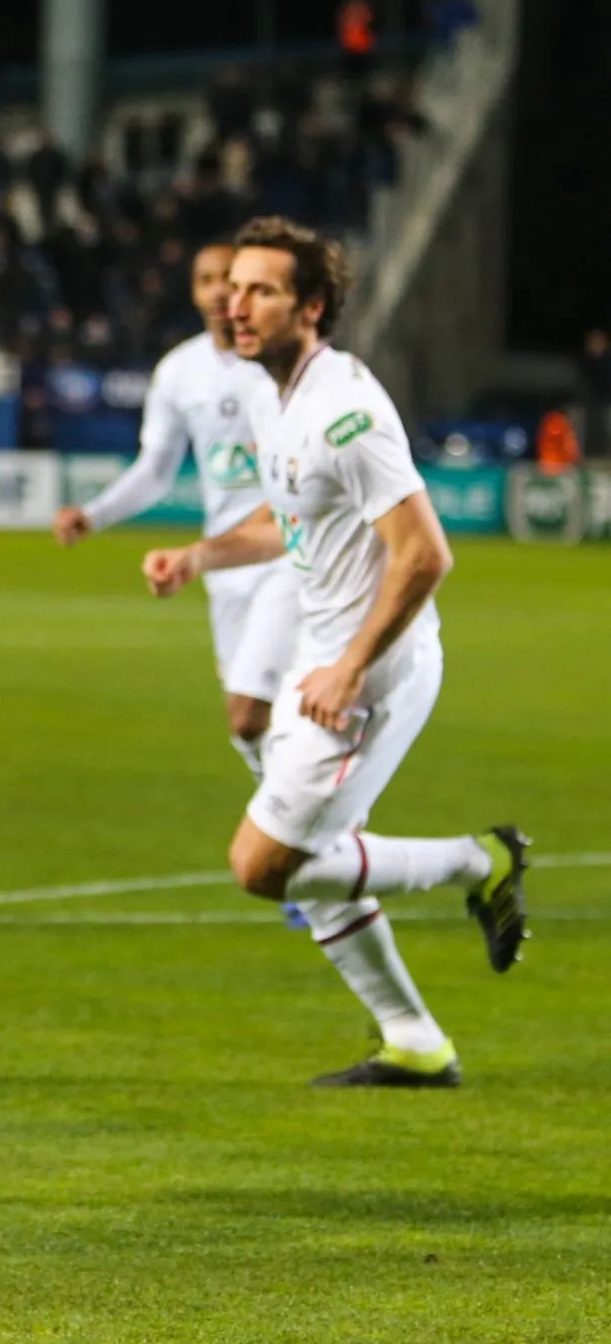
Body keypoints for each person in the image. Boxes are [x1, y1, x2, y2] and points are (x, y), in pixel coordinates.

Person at [142, 216, 529, 1088]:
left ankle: (481, 859)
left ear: (311, 307)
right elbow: (289, 524)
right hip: (318, 664)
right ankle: (415, 1040)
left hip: (367, 674)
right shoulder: (278, 395)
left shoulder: (344, 409)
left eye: (262, 291)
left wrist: (351, 665)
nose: (236, 306)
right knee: (308, 856)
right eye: (232, 287)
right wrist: (199, 555)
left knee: (264, 864)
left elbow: (425, 552)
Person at [54, 242, 298, 783]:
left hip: (287, 554)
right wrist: (94, 515)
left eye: (229, 280)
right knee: (251, 730)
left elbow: (310, 468)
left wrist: (284, 502)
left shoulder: (280, 364)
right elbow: (156, 469)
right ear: (193, 291)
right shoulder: (180, 371)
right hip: (221, 562)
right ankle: (316, 836)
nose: (217, 291)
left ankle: (313, 832)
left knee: (256, 709)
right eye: (205, 279)